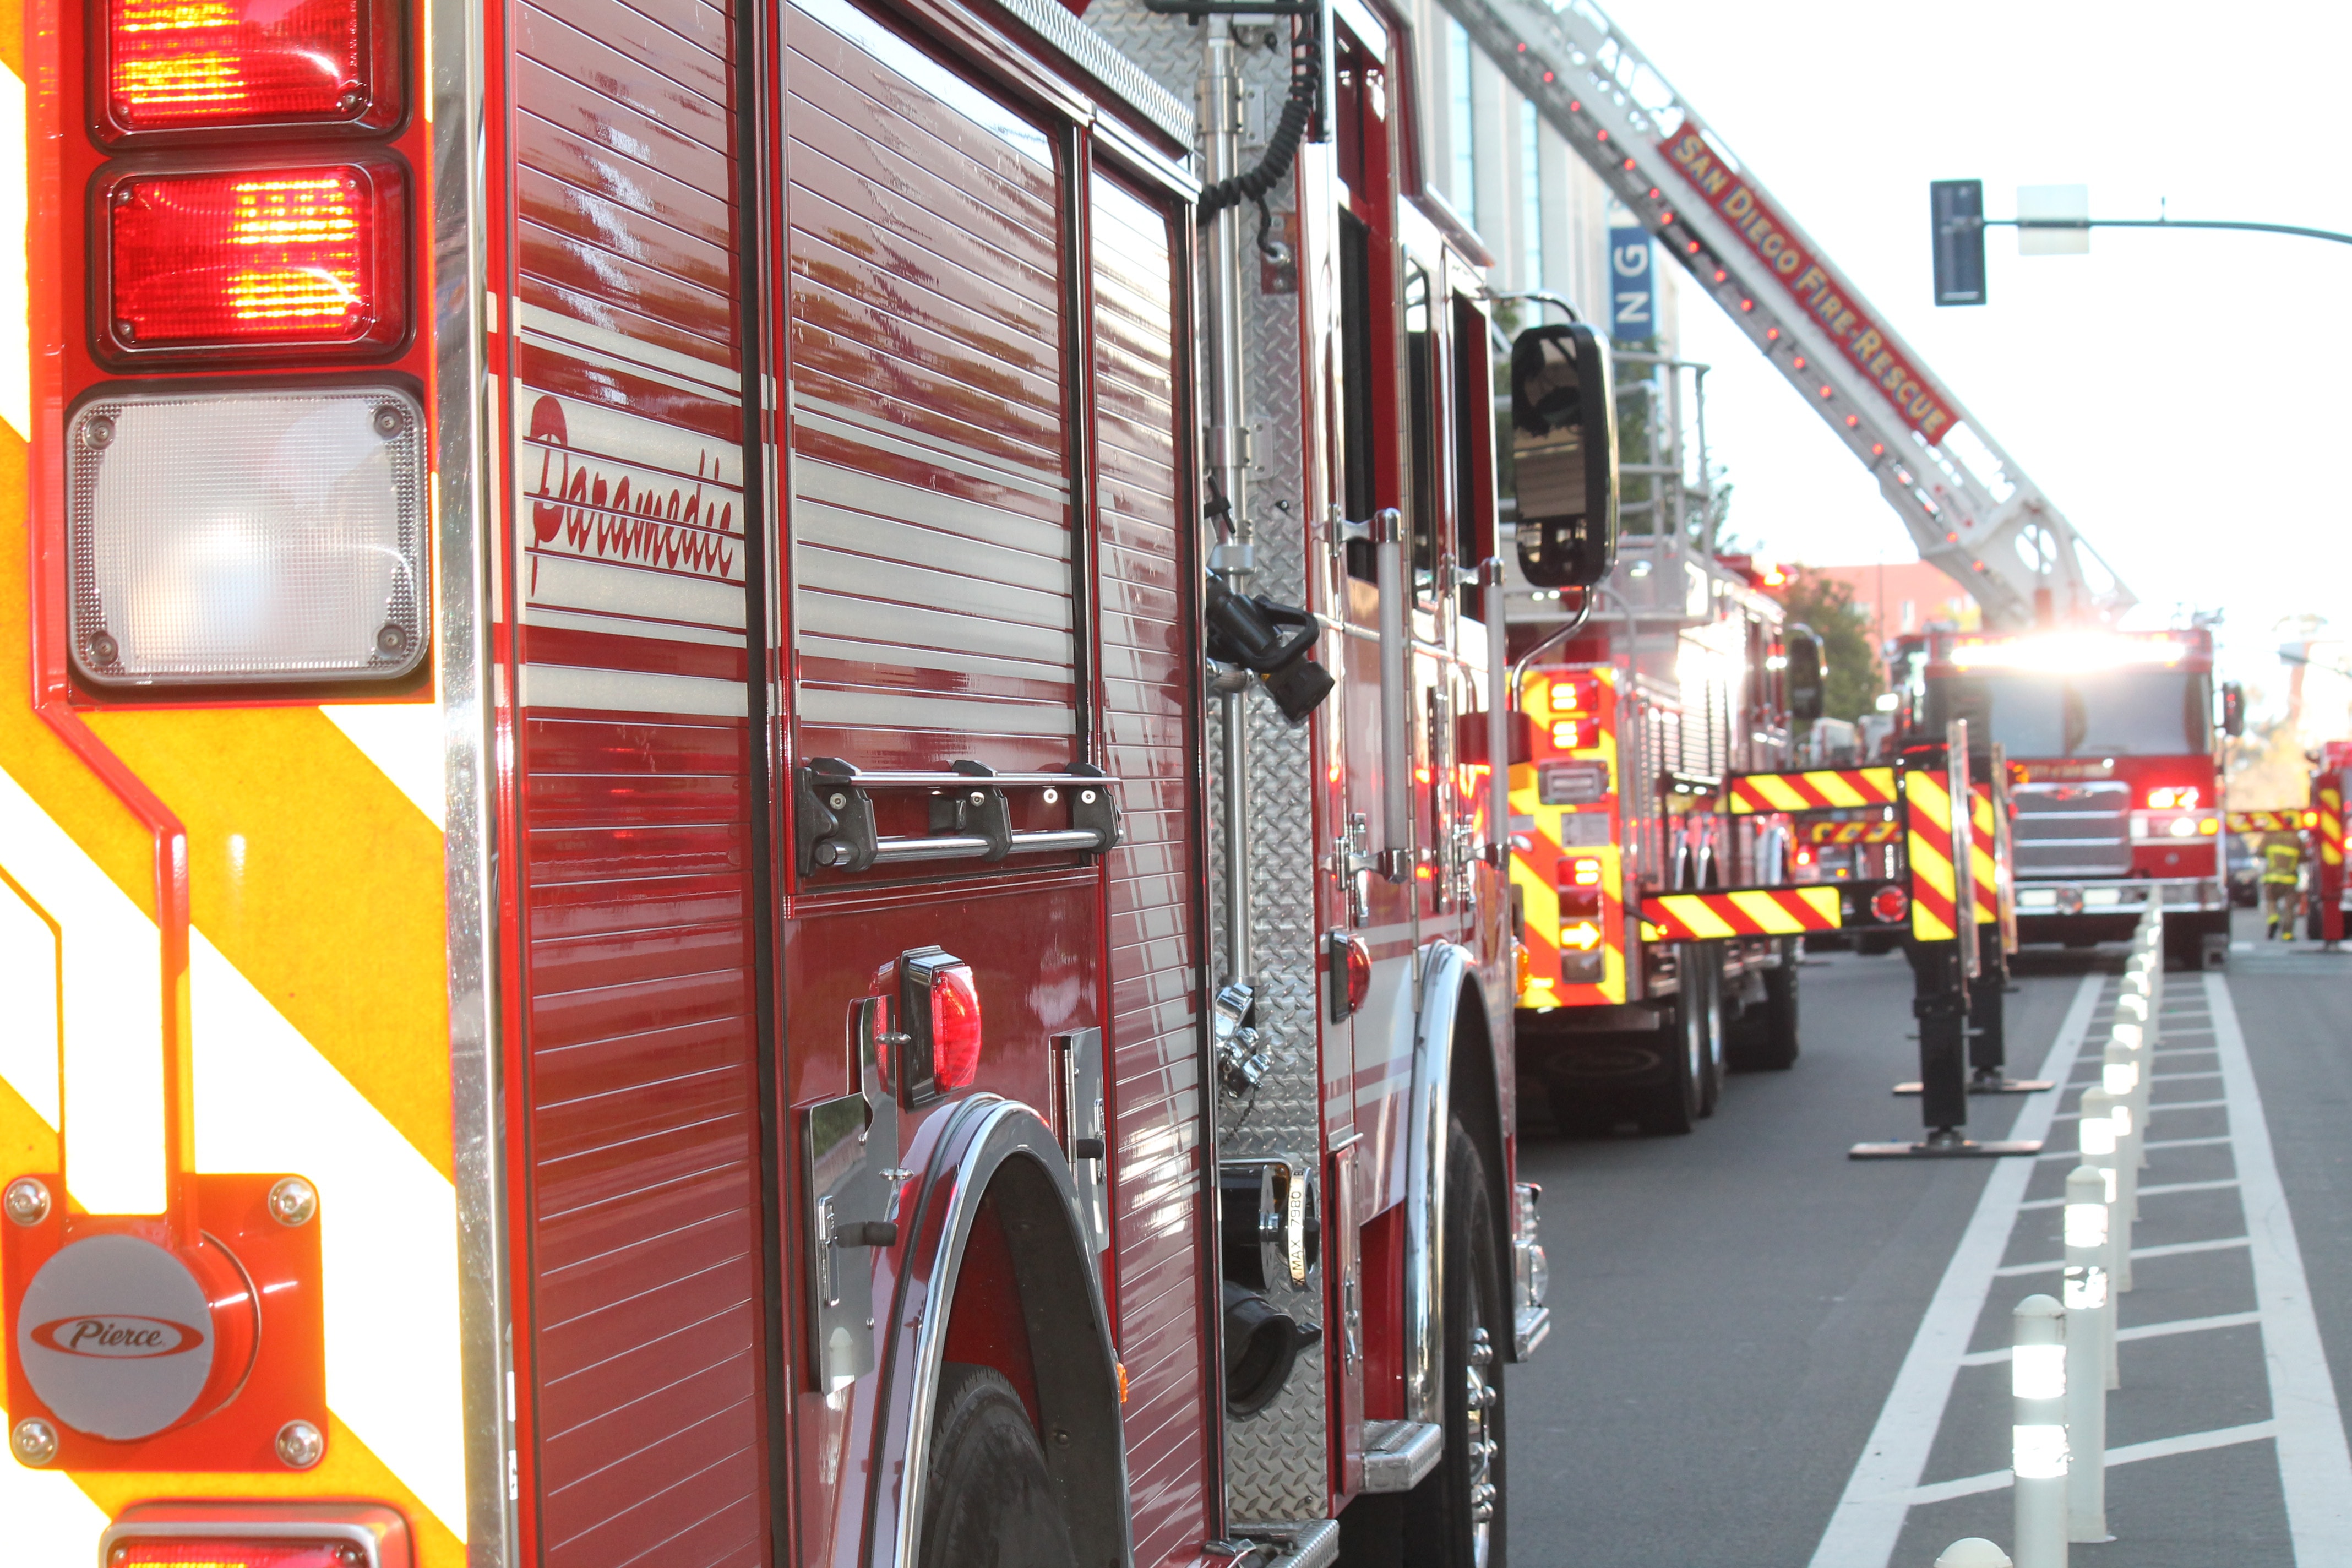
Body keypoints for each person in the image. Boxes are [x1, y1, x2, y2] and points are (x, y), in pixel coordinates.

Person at [2262, 830, 2303, 940]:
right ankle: (2287, 934)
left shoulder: (2269, 836)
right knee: (2289, 907)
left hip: (2271, 878)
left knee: (2271, 901)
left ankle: (2273, 919)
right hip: (2290, 879)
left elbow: (2260, 852)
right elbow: (2303, 857)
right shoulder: (2296, 839)